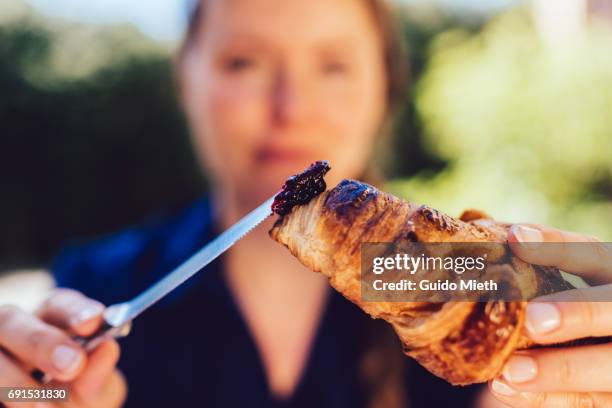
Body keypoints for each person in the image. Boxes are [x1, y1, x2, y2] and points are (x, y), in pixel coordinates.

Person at [1, 0, 611, 407]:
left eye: (333, 65)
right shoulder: (101, 287)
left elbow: (561, 297)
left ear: (385, 84)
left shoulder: (429, 266)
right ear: (186, 79)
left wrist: (591, 308)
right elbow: (39, 395)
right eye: (245, 62)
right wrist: (32, 395)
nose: (291, 106)